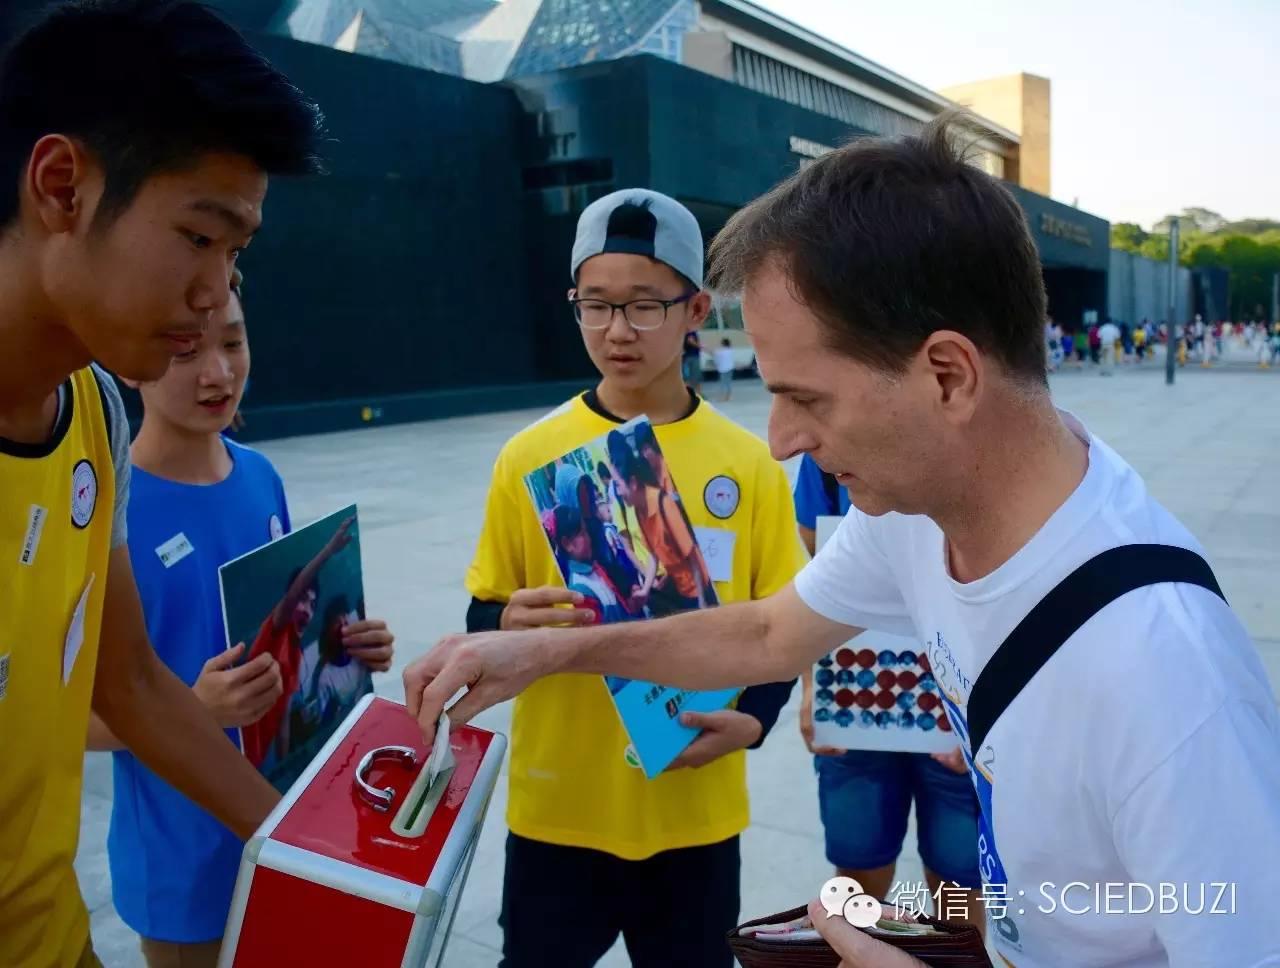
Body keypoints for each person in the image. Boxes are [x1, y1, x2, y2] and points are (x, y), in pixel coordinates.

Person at [406, 119, 1280, 968]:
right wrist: (540, 654)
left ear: (946, 375)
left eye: (807, 399)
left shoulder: (1167, 680)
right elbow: (764, 633)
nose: (780, 440)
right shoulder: (909, 518)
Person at [0, 3, 326, 965]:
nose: (216, 293)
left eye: (237, 255)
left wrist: (311, 853)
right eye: (199, 237)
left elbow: (133, 680)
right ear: (62, 187)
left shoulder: (95, 418)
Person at [461, 188, 806, 967]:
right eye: (597, 305)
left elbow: (784, 622)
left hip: (695, 811)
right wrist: (502, 623)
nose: (618, 331)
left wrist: (754, 719)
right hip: (560, 809)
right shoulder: (528, 456)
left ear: (695, 311)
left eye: (646, 305)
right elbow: (485, 608)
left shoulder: (747, 465)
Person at [84, 279, 394, 968]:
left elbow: (282, 630)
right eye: (186, 350)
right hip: (181, 860)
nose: (218, 372)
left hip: (289, 829)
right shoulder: (107, 517)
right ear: (130, 362)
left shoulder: (260, 476)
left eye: (233, 339)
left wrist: (344, 649)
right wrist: (188, 709)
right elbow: (64, 712)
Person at [793, 454, 983, 930]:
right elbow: (817, 580)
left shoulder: (987, 441)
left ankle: (957, 961)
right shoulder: (826, 453)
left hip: (961, 716)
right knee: (857, 878)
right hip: (857, 704)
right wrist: (814, 683)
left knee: (960, 890)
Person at [682, 327, 703, 394]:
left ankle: (688, 395)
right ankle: (697, 394)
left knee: (687, 377)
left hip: (686, 357)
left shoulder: (684, 332)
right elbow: (690, 340)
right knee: (695, 377)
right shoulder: (691, 332)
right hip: (692, 357)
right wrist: (699, 346)